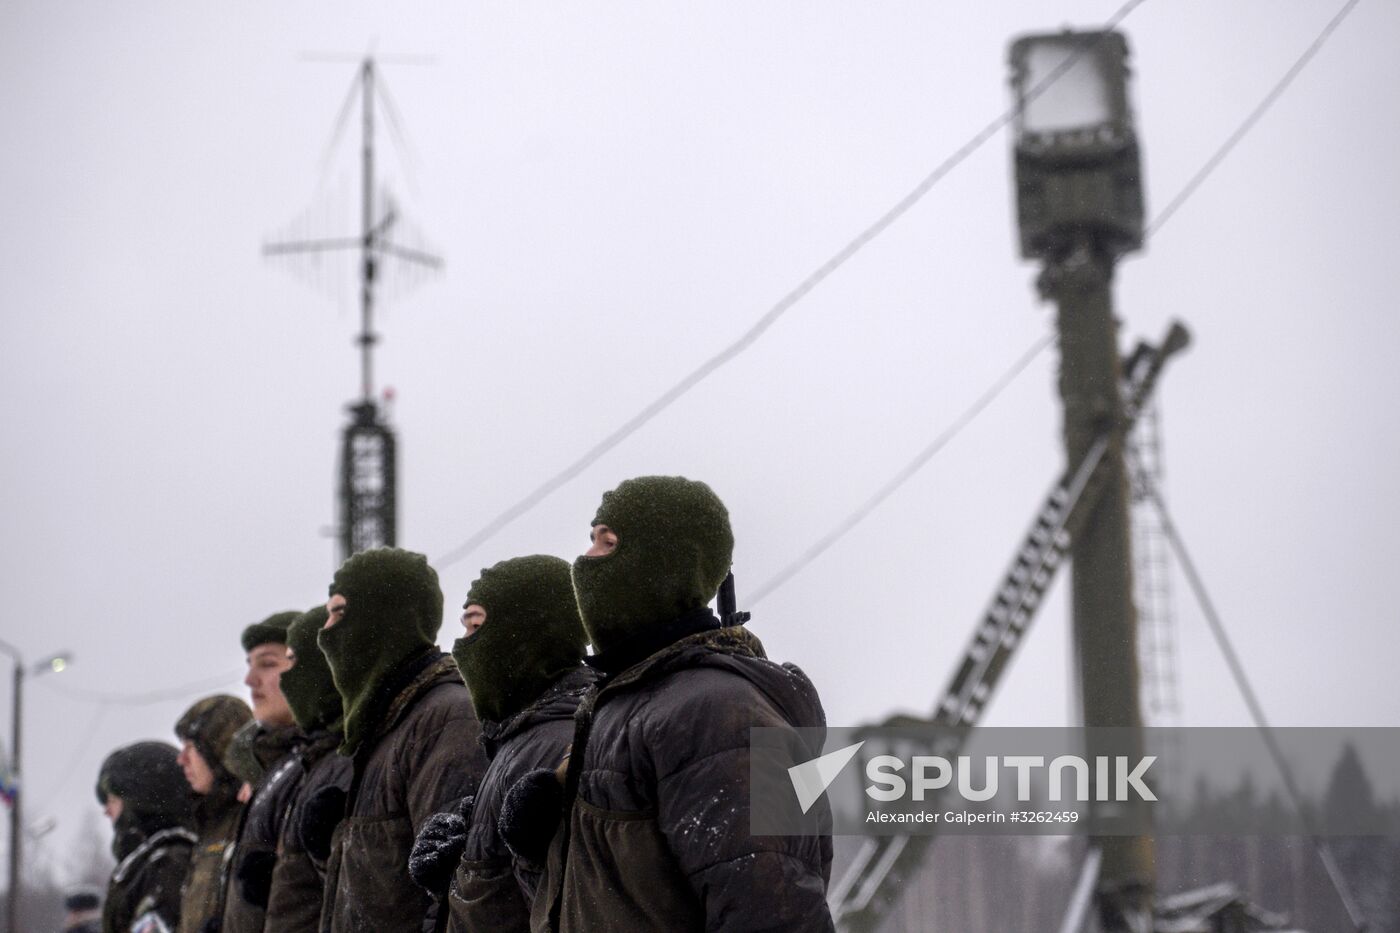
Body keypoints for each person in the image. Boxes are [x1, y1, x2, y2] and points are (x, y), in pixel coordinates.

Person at [527, 475, 834, 932]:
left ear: (663, 565)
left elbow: (771, 912)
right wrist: (534, 847)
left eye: (607, 544)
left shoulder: (714, 713)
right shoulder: (618, 707)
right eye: (589, 541)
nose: (584, 561)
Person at [407, 555, 593, 933]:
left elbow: (573, 903)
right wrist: (458, 875)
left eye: (476, 623)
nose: (463, 644)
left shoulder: (553, 740)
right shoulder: (517, 738)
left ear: (527, 632)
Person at [315, 547, 489, 933]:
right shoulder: (385, 728)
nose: (325, 632)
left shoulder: (446, 720)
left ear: (382, 620)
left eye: (339, 613)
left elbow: (453, 894)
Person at [262, 605, 352, 932]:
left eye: (294, 662)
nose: (288, 678)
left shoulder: (346, 758)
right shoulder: (312, 759)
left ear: (322, 668)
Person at [222, 611, 305, 933]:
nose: (249, 680)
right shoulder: (270, 771)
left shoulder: (332, 762)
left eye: (267, 664)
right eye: (249, 664)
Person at [95, 742, 194, 933]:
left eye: (113, 800)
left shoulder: (166, 865)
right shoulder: (150, 863)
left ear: (141, 804)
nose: (107, 812)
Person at [175, 694, 252, 933]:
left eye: (190, 748)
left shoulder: (252, 818)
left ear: (218, 750)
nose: (181, 760)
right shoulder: (209, 825)